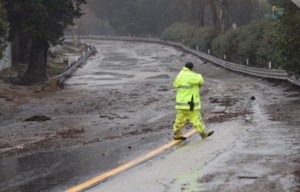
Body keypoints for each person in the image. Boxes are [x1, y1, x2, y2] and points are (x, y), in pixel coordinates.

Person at [173, 62, 214, 140]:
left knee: (179, 120)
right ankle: (204, 134)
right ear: (191, 68)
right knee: (196, 119)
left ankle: (177, 135)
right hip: (190, 104)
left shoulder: (180, 74)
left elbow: (176, 84)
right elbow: (200, 79)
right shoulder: (191, 75)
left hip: (181, 103)